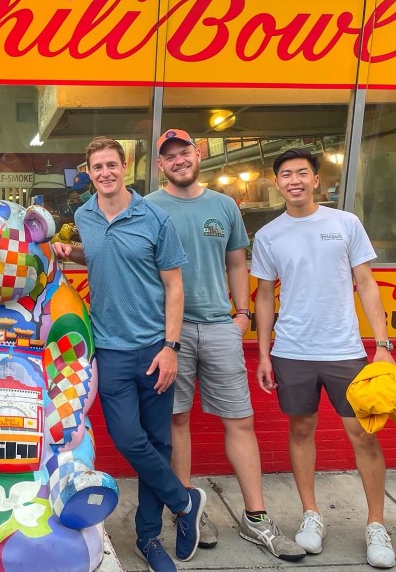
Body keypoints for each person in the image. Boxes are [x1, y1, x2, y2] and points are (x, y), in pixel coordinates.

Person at [146, 130, 306, 562]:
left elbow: (237, 262)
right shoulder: (148, 207)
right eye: (169, 157)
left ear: (197, 154)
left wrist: (242, 315)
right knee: (176, 420)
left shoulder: (224, 206)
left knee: (240, 420)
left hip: (220, 326)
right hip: (169, 332)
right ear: (160, 166)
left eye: (184, 152)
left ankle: (256, 517)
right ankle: (186, 511)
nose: (179, 161)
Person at [51, 137, 198, 572]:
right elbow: (105, 256)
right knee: (129, 439)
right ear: (89, 172)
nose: (105, 173)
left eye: (112, 165)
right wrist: (72, 252)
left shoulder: (154, 217)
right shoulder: (84, 215)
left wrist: (171, 348)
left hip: (155, 347)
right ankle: (184, 502)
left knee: (158, 442)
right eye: (97, 167)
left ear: (124, 167)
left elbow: (174, 286)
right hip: (110, 348)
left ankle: (148, 537)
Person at [251, 148, 396, 569]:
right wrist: (263, 354)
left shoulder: (344, 223)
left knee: (363, 434)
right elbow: (264, 296)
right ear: (276, 183)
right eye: (285, 174)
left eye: (302, 173)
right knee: (301, 429)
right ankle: (311, 514)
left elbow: (366, 283)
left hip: (344, 350)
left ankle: (376, 524)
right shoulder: (268, 235)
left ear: (316, 180)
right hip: (292, 351)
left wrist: (382, 345)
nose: (294, 180)